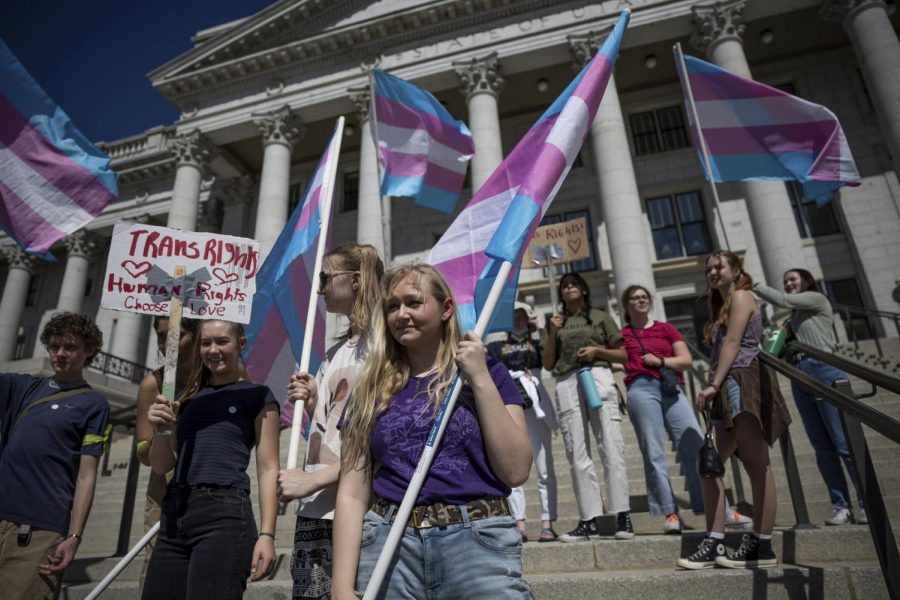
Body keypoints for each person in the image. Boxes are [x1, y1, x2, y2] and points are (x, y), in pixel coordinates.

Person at [331, 264, 533, 599]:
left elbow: (516, 470)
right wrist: (341, 587)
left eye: (413, 302)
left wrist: (479, 378)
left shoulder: (491, 373)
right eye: (393, 306)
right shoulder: (369, 387)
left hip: (478, 545)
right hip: (389, 544)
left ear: (446, 309)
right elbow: (352, 493)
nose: (401, 314)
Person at [142, 320, 280, 599]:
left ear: (241, 344)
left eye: (222, 342)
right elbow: (161, 465)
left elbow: (268, 468)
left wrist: (267, 534)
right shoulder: (186, 400)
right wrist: (161, 429)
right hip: (175, 515)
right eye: (206, 343)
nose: (213, 350)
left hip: (224, 513)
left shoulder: (257, 395)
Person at [276, 244, 383, 600]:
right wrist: (312, 402)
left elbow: (375, 437)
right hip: (317, 506)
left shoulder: (383, 345)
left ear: (355, 280)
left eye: (325, 278)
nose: (319, 289)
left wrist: (312, 480)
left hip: (356, 506)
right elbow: (331, 431)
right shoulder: (337, 351)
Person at [677, 251, 791, 570]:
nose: (712, 272)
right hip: (726, 387)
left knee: (756, 464)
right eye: (708, 269)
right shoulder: (722, 304)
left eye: (719, 267)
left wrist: (712, 384)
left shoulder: (742, 296)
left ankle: (762, 545)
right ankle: (714, 540)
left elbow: (733, 344)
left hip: (741, 380)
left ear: (736, 269)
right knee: (709, 464)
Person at [0, 312, 110, 600]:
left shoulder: (94, 404)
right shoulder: (23, 387)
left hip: (40, 529)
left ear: (89, 351)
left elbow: (87, 474)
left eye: (70, 347)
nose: (60, 354)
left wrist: (74, 536)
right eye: (54, 346)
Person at [754, 268, 865, 526]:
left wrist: (755, 285)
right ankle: (841, 505)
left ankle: (865, 502)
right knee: (822, 448)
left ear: (806, 281)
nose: (788, 283)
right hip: (800, 373)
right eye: (785, 281)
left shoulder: (816, 299)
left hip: (824, 368)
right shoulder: (793, 320)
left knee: (843, 443)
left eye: (792, 279)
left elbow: (783, 300)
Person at [542, 272, 633, 542]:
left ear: (583, 290)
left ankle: (622, 515)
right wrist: (551, 334)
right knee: (576, 453)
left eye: (574, 285)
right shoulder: (556, 323)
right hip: (567, 380)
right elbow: (547, 363)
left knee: (611, 446)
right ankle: (588, 519)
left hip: (597, 376)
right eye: (565, 286)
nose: (569, 288)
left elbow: (623, 354)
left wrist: (597, 351)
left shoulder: (600, 317)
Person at [620, 285, 703, 534]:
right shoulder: (622, 334)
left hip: (671, 388)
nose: (641, 300)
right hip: (641, 389)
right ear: (627, 305)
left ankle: (715, 504)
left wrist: (661, 361)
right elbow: (614, 358)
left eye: (644, 297)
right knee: (654, 453)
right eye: (635, 298)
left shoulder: (666, 328)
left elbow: (686, 360)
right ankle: (670, 512)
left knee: (695, 446)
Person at [134, 316, 198, 593]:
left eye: (178, 335)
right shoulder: (152, 384)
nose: (169, 344)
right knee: (157, 572)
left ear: (196, 336)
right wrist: (160, 432)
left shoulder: (221, 375)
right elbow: (144, 454)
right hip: (164, 490)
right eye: (162, 336)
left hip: (211, 488)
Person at [487, 301, 559, 543]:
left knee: (544, 465)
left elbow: (550, 359)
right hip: (510, 405)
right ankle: (519, 522)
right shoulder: (497, 345)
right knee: (512, 463)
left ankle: (548, 521)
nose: (517, 319)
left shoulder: (538, 343)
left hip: (536, 405)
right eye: (513, 315)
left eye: (522, 315)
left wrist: (541, 329)